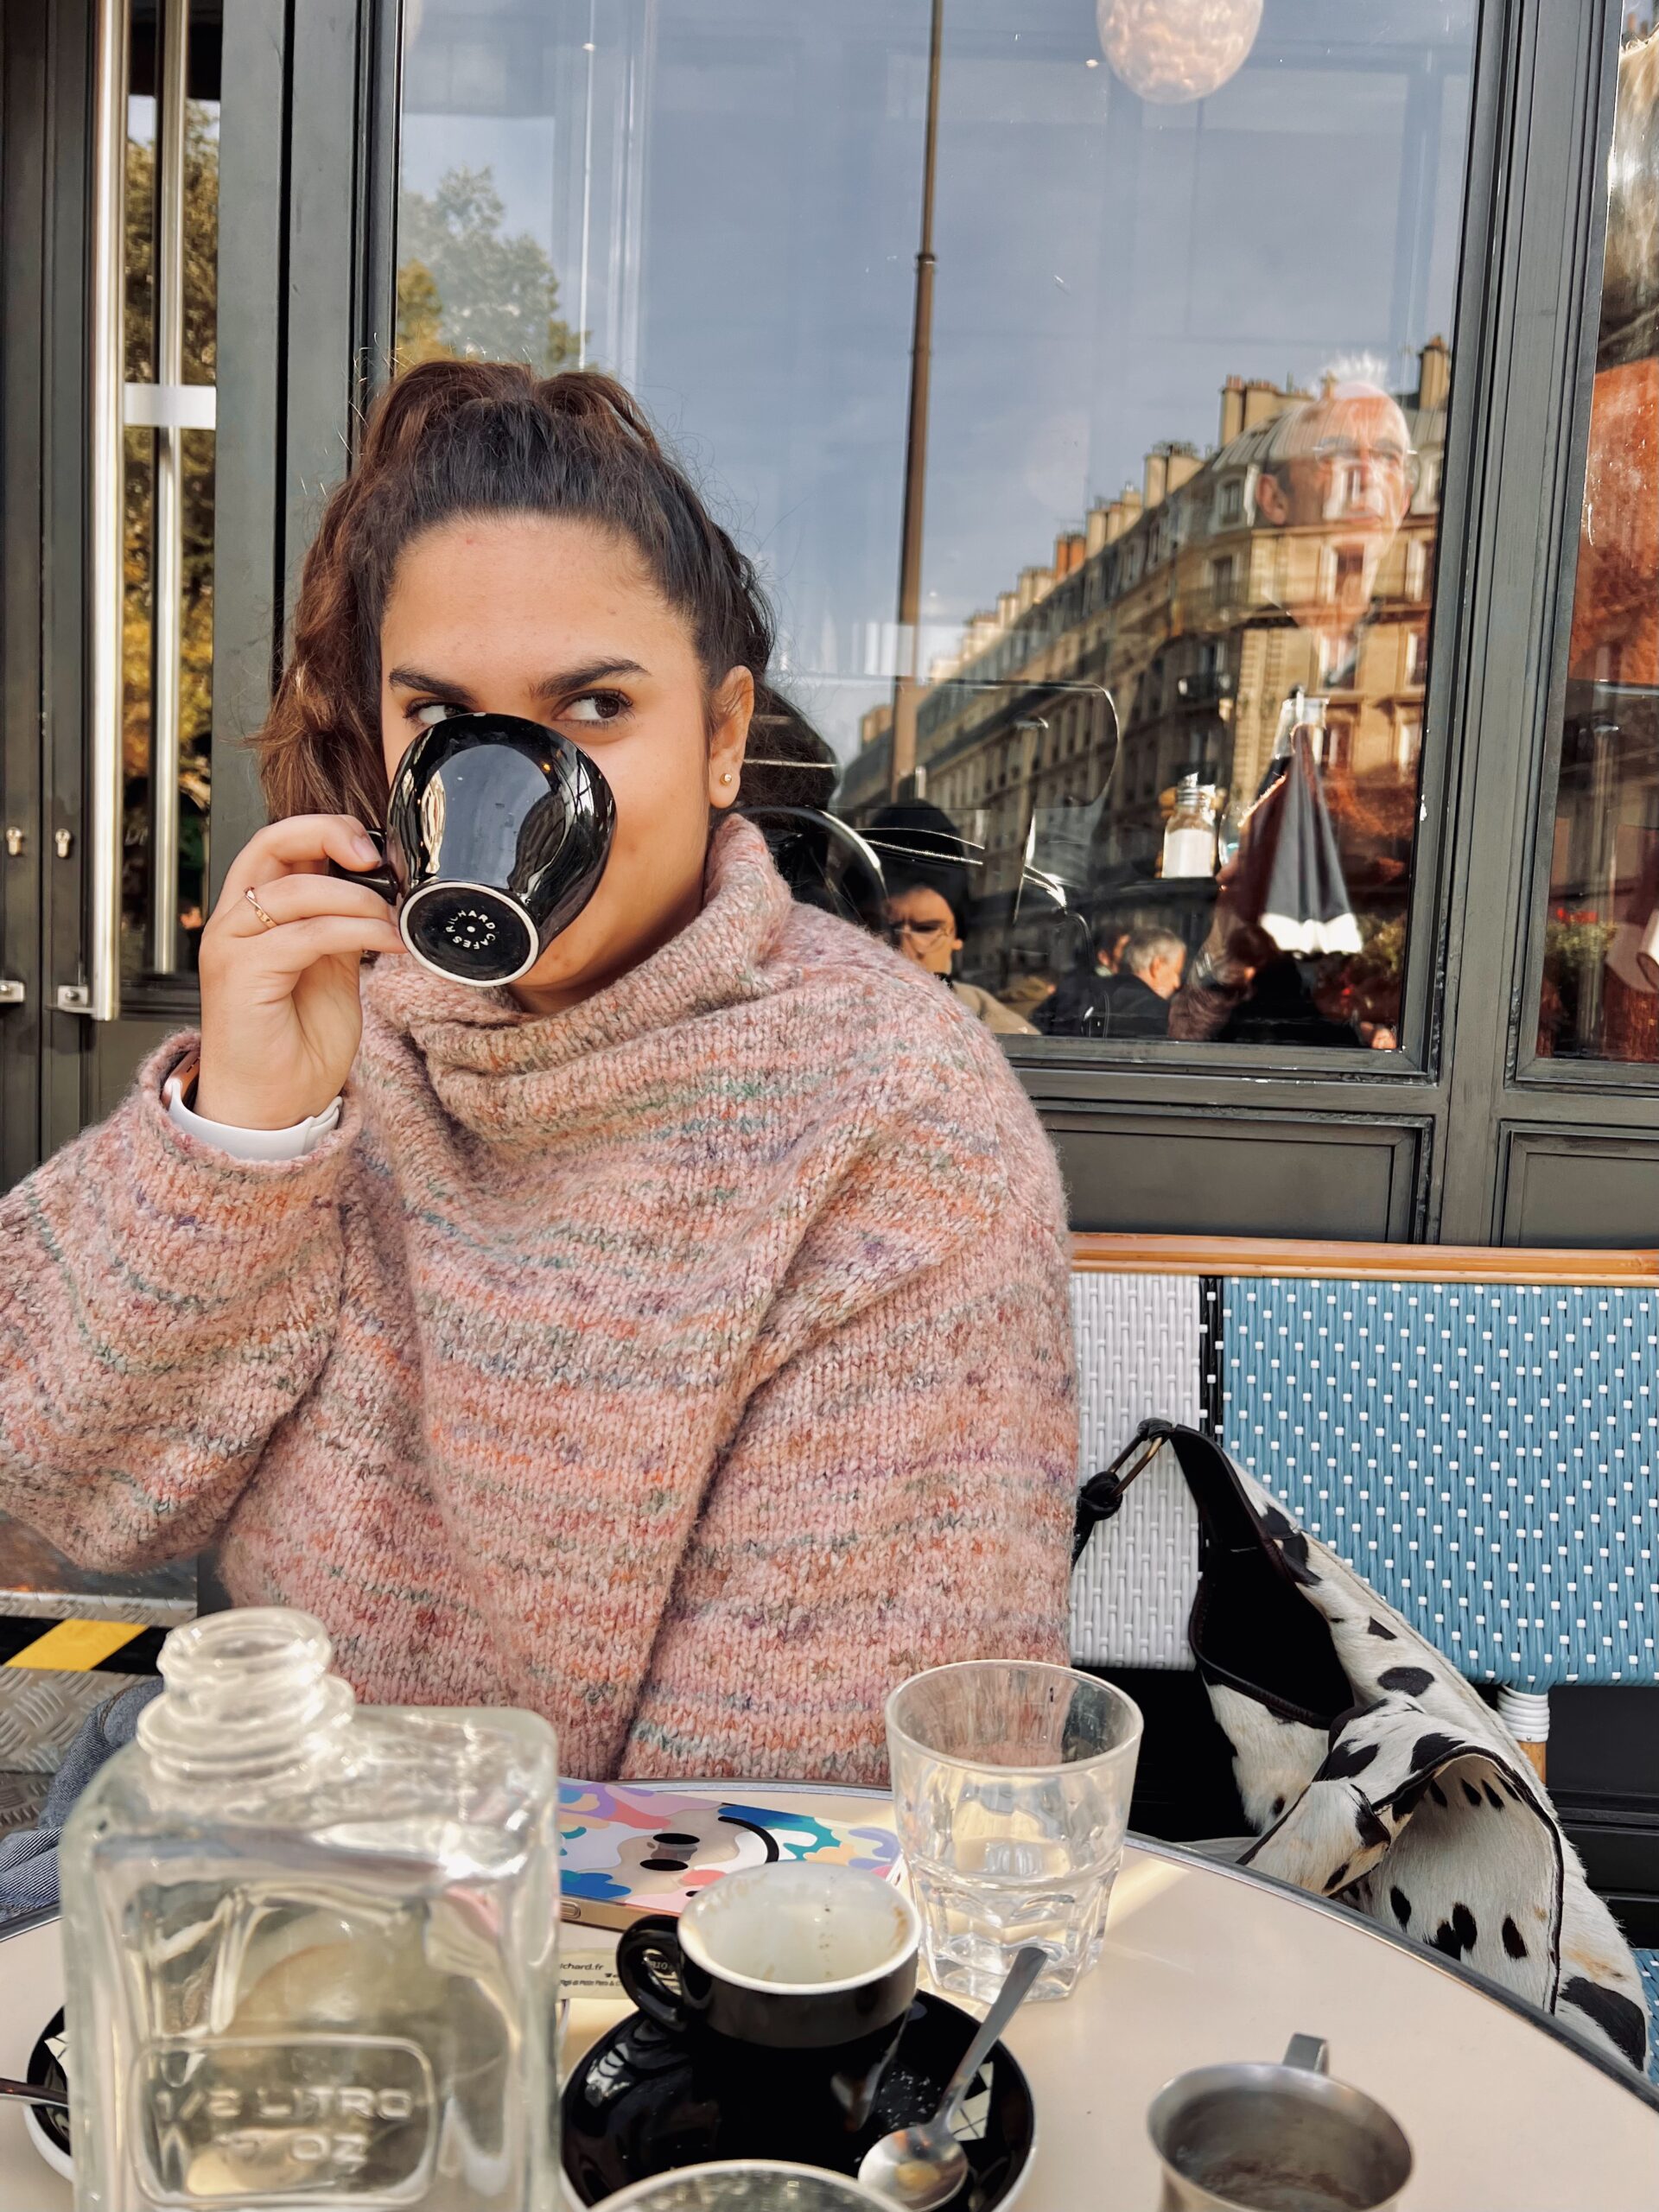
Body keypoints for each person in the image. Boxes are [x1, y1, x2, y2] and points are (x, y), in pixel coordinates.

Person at [0, 361, 1077, 1785]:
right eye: (441, 718)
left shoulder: (892, 1117)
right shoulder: (345, 1033)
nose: (507, 785)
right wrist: (242, 1138)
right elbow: (54, 1501)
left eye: (595, 709)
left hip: (582, 1943)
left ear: (722, 737)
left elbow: (799, 1827)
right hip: (263, 1828)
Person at [885, 879, 1038, 1037]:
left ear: (957, 937)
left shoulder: (989, 1019)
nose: (901, 949)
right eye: (881, 927)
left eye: (925, 929)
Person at [1103, 928, 1185, 1039]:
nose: (1177, 983)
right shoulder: (1161, 1016)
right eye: (1176, 972)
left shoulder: (1089, 996)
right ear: (1157, 966)